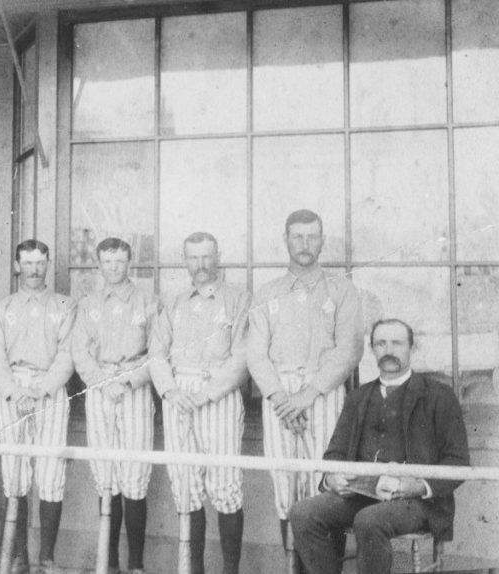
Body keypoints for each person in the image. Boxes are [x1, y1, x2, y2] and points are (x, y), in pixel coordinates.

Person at [290, 319, 469, 574]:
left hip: (417, 501)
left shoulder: (439, 396)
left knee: (369, 520)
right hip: (361, 495)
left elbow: (458, 461)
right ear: (372, 349)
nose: (389, 350)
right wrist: (332, 477)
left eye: (397, 343)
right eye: (381, 343)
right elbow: (335, 453)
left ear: (412, 348)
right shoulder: (358, 397)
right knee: (303, 513)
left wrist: (415, 485)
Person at [247, 209, 363, 554]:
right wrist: (282, 398)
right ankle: (290, 565)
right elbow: (255, 354)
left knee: (325, 482)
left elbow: (350, 349)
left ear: (322, 241)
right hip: (279, 396)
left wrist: (307, 394)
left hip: (322, 393)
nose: (304, 243)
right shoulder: (267, 293)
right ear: (285, 240)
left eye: (312, 236)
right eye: (297, 236)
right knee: (285, 481)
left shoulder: (342, 289)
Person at [149, 232, 249, 574]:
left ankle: (230, 570)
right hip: (178, 395)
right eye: (194, 258)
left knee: (225, 486)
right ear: (184, 260)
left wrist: (207, 393)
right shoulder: (175, 301)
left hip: (216, 394)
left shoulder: (237, 298)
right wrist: (170, 390)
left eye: (207, 257)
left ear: (217, 256)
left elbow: (243, 355)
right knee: (186, 485)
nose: (201, 265)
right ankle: (192, 569)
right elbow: (157, 353)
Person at [0, 239, 75, 574]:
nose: (34, 270)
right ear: (17, 266)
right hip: (12, 391)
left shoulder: (64, 306)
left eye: (40, 263)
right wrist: (14, 390)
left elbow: (67, 355)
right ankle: (21, 556)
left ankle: (46, 558)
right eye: (28, 263)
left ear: (48, 263)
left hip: (49, 390)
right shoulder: (3, 308)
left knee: (51, 473)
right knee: (15, 475)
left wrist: (42, 390)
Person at [71, 237, 159, 574]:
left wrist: (130, 380)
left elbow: (158, 351)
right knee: (106, 475)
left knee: (135, 475)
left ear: (129, 263)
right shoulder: (88, 304)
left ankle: (136, 564)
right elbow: (80, 351)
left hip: (134, 387)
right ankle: (109, 562)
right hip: (100, 389)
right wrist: (101, 382)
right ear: (99, 264)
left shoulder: (148, 302)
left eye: (120, 262)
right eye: (107, 262)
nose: (114, 268)